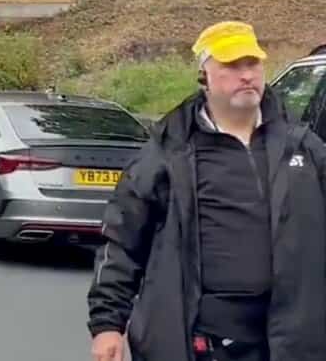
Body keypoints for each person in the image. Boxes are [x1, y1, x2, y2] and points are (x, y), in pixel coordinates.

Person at [87, 21, 326, 361]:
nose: (246, 75)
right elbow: (123, 240)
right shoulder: (170, 151)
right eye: (232, 65)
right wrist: (108, 324)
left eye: (252, 63)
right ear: (205, 77)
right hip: (204, 340)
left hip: (290, 341)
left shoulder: (302, 146)